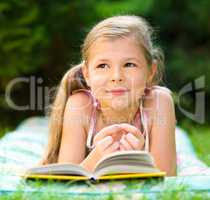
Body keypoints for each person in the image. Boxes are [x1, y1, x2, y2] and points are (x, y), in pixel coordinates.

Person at [39, 15, 177, 176]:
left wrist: (138, 160)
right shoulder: (80, 106)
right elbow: (66, 180)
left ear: (150, 72)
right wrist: (98, 156)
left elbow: (168, 180)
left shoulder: (159, 102)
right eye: (103, 65)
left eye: (129, 64)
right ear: (87, 74)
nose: (116, 76)